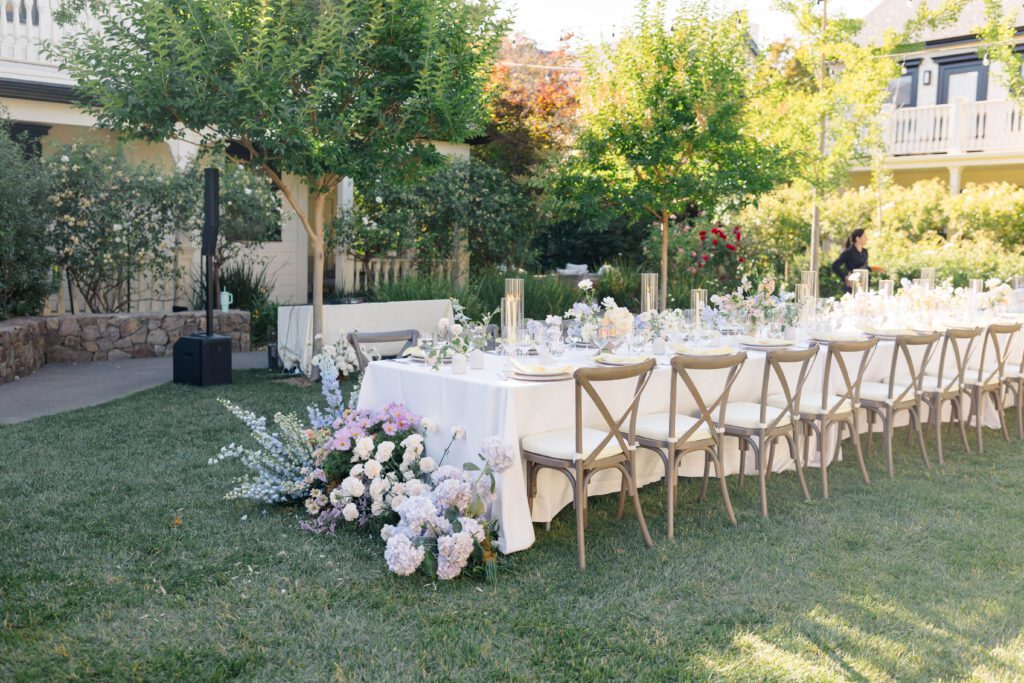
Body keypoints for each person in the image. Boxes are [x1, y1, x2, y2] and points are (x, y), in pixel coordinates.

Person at [832, 229, 870, 294]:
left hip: (863, 285)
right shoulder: (848, 252)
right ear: (858, 238)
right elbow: (835, 266)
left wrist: (872, 268)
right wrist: (845, 277)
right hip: (852, 287)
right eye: (864, 236)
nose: (867, 238)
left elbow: (864, 267)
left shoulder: (865, 252)